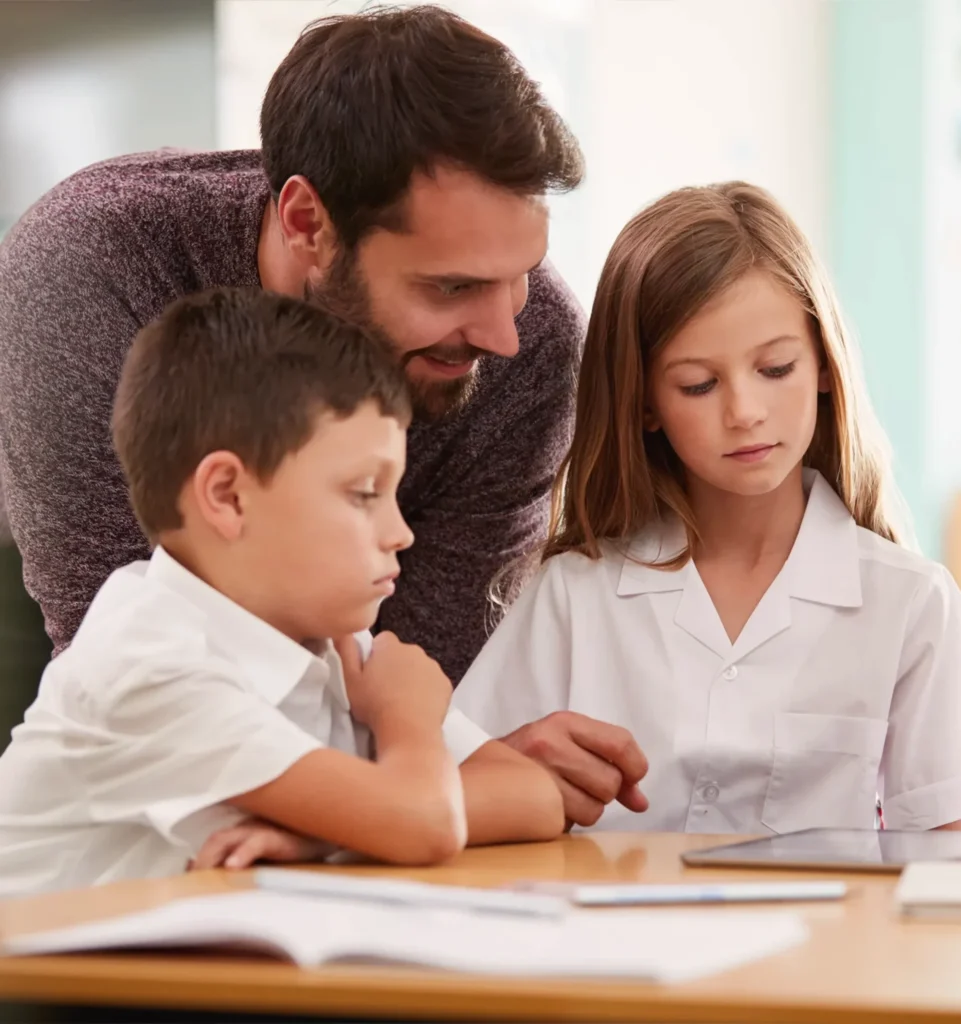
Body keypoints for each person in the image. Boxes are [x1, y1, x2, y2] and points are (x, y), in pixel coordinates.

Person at [0, 5, 651, 827]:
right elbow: (344, 766)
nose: (502, 336)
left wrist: (384, 794)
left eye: (518, 274)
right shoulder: (92, 264)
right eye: (448, 287)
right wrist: (396, 793)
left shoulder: (535, 342)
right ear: (307, 223)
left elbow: (384, 700)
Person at [0, 289, 564, 896]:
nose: (401, 533)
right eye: (363, 492)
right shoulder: (148, 663)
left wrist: (329, 831)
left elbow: (535, 797)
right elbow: (426, 822)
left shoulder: (329, 641)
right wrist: (407, 723)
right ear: (228, 496)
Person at [453, 181, 961, 835]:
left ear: (824, 366)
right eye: (697, 384)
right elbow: (455, 789)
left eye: (775, 369)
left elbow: (942, 861)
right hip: (604, 935)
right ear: (642, 403)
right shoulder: (574, 593)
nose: (744, 413)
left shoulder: (909, 603)